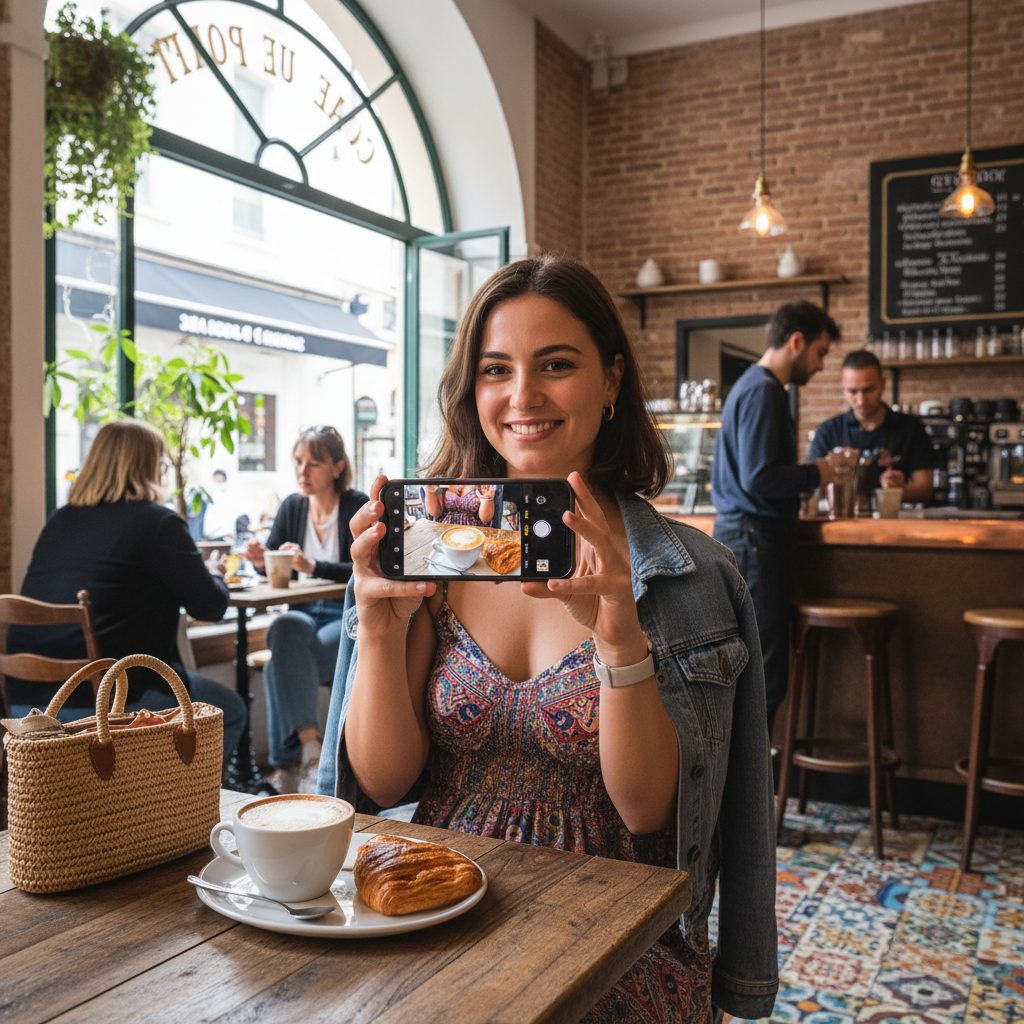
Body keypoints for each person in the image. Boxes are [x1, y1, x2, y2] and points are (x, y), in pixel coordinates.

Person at [320, 257, 778, 1022]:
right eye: (496, 370)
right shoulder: (435, 551)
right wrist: (375, 629)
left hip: (613, 938)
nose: (523, 397)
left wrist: (621, 638)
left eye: (556, 365)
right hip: (439, 916)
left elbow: (644, 809)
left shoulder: (693, 577)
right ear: (473, 391)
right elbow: (386, 779)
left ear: (611, 381)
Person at [6, 419, 246, 766]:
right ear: (149, 466)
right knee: (230, 711)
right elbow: (210, 606)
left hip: (27, 706)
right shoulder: (158, 523)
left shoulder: (60, 521)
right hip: (110, 705)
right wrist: (215, 575)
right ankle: (169, 809)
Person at [711, 300, 840, 734]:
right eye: (820, 353)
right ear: (796, 341)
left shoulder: (751, 385)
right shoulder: (765, 390)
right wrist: (818, 472)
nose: (820, 366)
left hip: (748, 537)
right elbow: (761, 478)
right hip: (756, 539)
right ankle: (753, 791)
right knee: (764, 670)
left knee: (752, 664)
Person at [245, 426, 367, 794]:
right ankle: (311, 745)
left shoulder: (356, 505)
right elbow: (273, 564)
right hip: (303, 615)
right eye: (298, 462)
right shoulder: (292, 506)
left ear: (337, 467)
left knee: (281, 662)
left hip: (342, 616)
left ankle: (287, 765)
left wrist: (315, 566)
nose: (303, 471)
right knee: (283, 630)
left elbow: (366, 567)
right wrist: (257, 561)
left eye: (313, 463)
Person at [807, 349, 934, 503]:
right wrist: (829, 471)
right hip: (843, 521)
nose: (861, 400)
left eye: (868, 390)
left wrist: (900, 491)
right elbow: (811, 489)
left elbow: (925, 488)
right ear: (843, 388)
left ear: (883, 384)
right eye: (852, 391)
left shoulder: (910, 428)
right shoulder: (828, 431)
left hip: (895, 522)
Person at [422, 483, 499, 527]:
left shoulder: (481, 484)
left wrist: (486, 499)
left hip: (473, 533)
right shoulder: (444, 480)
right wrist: (429, 492)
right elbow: (435, 512)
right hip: (446, 531)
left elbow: (486, 518)